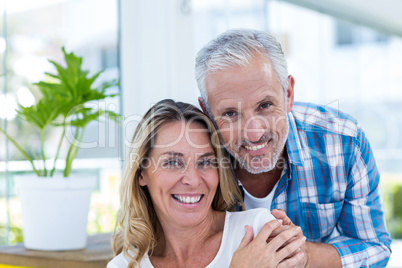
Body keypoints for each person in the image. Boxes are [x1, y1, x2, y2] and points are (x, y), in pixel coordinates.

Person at [195, 29, 392, 267]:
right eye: (230, 114)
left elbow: (375, 249)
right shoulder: (192, 163)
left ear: (288, 94)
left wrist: (303, 255)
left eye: (265, 105)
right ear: (207, 112)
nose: (254, 133)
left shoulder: (344, 141)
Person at [108, 99, 306, 268]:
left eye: (205, 162)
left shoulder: (256, 231)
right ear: (141, 173)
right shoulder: (124, 265)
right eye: (172, 162)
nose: (193, 180)